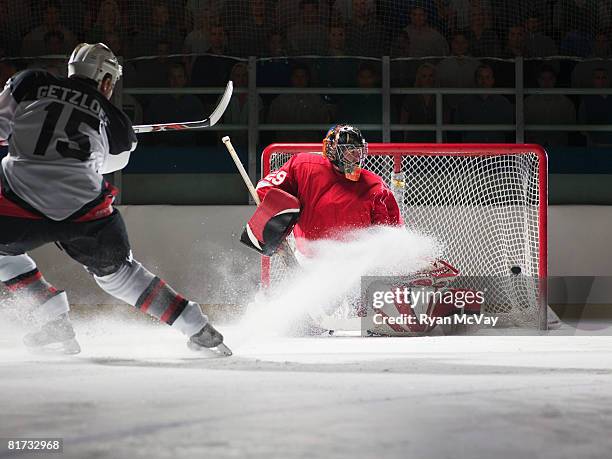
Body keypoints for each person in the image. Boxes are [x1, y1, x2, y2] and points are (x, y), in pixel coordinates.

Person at [0, 43, 228, 355]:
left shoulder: (30, 82)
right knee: (119, 275)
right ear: (106, 80)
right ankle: (197, 327)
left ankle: (51, 320)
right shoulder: (116, 120)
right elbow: (110, 164)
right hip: (82, 206)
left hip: (19, 200)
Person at [254, 124, 402, 258]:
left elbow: (390, 231)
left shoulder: (374, 186)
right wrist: (274, 226)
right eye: (349, 151)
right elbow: (264, 189)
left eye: (358, 152)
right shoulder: (303, 166)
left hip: (357, 264)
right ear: (331, 150)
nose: (356, 158)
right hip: (309, 261)